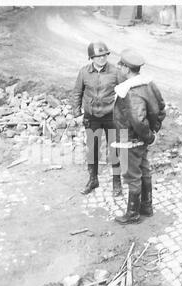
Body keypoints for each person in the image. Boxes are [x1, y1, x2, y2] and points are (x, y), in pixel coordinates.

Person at [113, 49, 166, 224]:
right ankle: (146, 206)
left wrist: (149, 136)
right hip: (141, 139)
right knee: (144, 170)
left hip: (129, 138)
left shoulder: (130, 90)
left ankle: (133, 214)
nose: (119, 67)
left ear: (127, 69)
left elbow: (137, 119)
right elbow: (161, 107)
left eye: (120, 65)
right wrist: (153, 132)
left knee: (131, 175)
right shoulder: (149, 84)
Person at [72, 41, 122, 197]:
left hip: (111, 116)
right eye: (98, 56)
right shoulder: (84, 72)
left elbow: (125, 93)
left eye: (104, 55)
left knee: (115, 149)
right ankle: (93, 180)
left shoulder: (115, 72)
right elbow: (77, 93)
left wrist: (123, 114)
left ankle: (116, 182)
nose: (101, 59)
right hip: (91, 117)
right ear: (91, 58)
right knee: (92, 150)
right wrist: (77, 114)